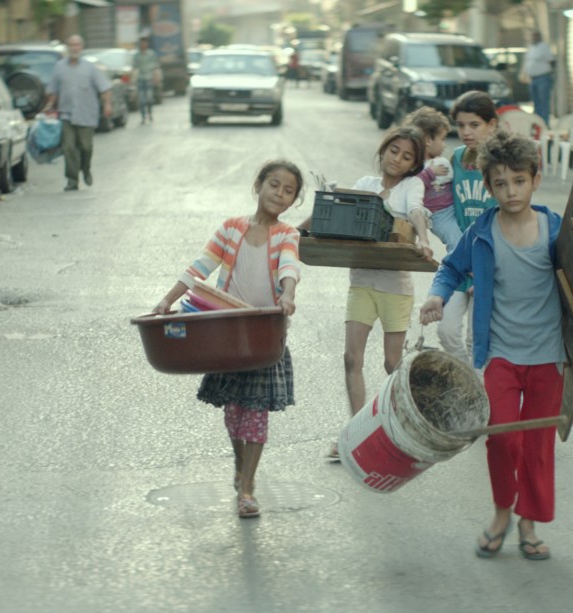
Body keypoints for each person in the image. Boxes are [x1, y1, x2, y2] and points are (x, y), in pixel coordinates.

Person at [420, 130, 573, 561]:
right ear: (488, 186)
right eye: (500, 183)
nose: (511, 191)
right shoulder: (482, 231)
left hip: (549, 356)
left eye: (519, 181)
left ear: (535, 180)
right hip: (500, 353)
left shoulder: (556, 230)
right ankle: (502, 512)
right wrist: (437, 296)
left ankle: (528, 523)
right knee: (500, 439)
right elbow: (451, 268)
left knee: (537, 445)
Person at [153, 160, 304, 518]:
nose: (279, 194)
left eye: (288, 191)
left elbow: (289, 267)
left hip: (263, 336)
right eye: (274, 184)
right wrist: (167, 300)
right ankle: (240, 468)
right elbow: (199, 268)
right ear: (258, 185)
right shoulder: (231, 228)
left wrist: (288, 294)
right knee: (234, 413)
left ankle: (247, 488)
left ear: (293, 201)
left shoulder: (288, 235)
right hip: (225, 335)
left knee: (256, 412)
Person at [319, 127, 434, 460]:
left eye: (407, 156)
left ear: (414, 165)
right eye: (394, 150)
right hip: (361, 283)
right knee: (351, 358)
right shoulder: (365, 184)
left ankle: (408, 429)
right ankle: (356, 436)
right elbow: (343, 214)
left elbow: (415, 211)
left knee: (392, 363)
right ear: (383, 150)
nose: (398, 159)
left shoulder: (411, 187)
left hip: (395, 288)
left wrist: (424, 239)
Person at [438, 90, 500, 366]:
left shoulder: (500, 164)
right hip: (460, 259)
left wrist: (487, 266)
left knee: (477, 339)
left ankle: (477, 386)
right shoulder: (457, 158)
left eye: (474, 125)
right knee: (446, 331)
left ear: (492, 124)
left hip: (489, 264)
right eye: (461, 125)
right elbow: (443, 206)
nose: (466, 132)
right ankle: (468, 380)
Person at [43, 34, 113, 192]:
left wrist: (107, 105)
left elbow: (105, 88)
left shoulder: (90, 68)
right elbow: (53, 89)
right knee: (69, 147)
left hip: (86, 114)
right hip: (66, 114)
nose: (74, 48)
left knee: (86, 147)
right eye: (71, 45)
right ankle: (72, 179)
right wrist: (49, 105)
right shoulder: (59, 67)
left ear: (81, 47)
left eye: (77, 45)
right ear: (68, 48)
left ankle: (86, 169)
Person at [403, 107, 461, 253]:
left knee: (464, 239)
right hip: (439, 215)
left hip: (454, 209)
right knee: (456, 241)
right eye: (442, 139)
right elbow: (412, 185)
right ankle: (454, 265)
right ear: (428, 141)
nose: (444, 144)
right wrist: (430, 173)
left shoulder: (438, 161)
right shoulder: (416, 166)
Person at [524, 31, 556, 127]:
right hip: (533, 79)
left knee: (543, 103)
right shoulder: (531, 48)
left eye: (535, 36)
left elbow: (551, 61)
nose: (533, 38)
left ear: (539, 37)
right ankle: (538, 124)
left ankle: (545, 124)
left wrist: (552, 74)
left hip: (543, 78)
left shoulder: (544, 47)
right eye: (532, 36)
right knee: (536, 103)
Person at [132, 36, 161, 125]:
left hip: (149, 78)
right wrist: (132, 79)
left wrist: (156, 77)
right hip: (140, 79)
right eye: (141, 43)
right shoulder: (137, 55)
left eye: (144, 43)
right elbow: (134, 68)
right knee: (142, 100)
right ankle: (143, 117)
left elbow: (156, 67)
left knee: (149, 99)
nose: (143, 45)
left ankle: (150, 114)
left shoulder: (151, 54)